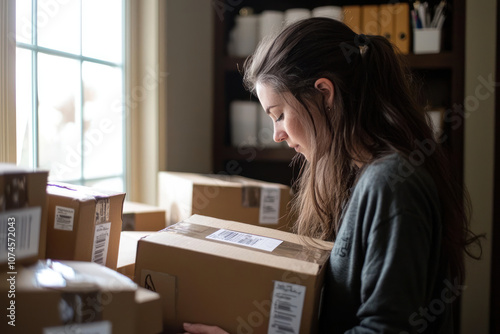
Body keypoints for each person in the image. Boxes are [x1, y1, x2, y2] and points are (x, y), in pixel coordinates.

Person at [182, 17, 482, 334]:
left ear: (325, 92)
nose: (276, 135)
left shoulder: (392, 185)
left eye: (280, 114)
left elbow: (386, 330)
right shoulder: (353, 177)